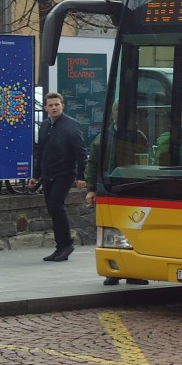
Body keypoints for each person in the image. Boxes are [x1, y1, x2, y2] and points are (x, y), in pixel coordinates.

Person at [85, 105, 149, 286]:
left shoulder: (138, 136)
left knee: (134, 231)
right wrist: (91, 188)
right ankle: (113, 270)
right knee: (113, 231)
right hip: (111, 188)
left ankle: (134, 271)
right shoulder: (103, 138)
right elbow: (93, 164)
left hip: (134, 189)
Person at [28, 92, 88, 263]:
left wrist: (81, 176)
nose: (54, 107)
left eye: (57, 104)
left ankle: (67, 244)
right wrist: (36, 175)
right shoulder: (45, 126)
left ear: (62, 105)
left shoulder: (71, 125)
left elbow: (81, 152)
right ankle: (60, 246)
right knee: (52, 208)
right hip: (48, 173)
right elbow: (41, 152)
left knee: (56, 204)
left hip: (65, 172)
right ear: (45, 107)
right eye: (51, 105)